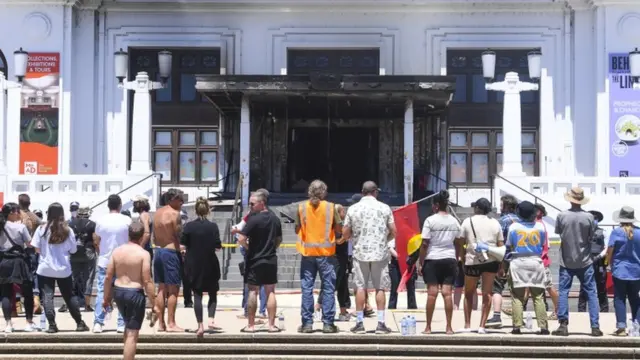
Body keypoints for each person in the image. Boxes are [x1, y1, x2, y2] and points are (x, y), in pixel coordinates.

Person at [343, 181, 396, 334]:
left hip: (360, 253)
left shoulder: (353, 209)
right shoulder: (384, 208)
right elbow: (394, 230)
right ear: (375, 192)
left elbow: (346, 232)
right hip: (379, 252)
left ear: (362, 192)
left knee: (360, 287)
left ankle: (359, 323)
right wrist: (384, 239)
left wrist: (354, 238)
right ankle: (380, 323)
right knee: (380, 288)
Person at [32, 202, 90, 333]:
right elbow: (74, 250)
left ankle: (52, 325)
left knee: (47, 296)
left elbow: (36, 248)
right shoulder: (68, 230)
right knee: (69, 296)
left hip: (45, 268)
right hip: (63, 269)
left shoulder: (41, 229)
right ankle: (79, 323)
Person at [552, 187, 603, 337]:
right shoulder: (589, 217)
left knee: (563, 292)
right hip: (585, 259)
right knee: (591, 293)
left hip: (566, 259)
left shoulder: (561, 216)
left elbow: (560, 233)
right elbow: (591, 237)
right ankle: (595, 326)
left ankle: (563, 324)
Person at [102, 222, 155, 360]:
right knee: (133, 334)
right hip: (134, 292)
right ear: (142, 236)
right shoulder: (143, 254)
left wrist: (106, 298)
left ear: (128, 234)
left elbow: (108, 277)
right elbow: (147, 280)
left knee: (128, 327)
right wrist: (153, 301)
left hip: (118, 291)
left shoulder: (117, 251)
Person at [295, 180, 341, 333]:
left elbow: (297, 228)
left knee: (307, 288)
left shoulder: (301, 207)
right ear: (324, 192)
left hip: (308, 254)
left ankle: (307, 323)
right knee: (328, 288)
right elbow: (339, 227)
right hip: (326, 255)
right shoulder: (330, 207)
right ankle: (328, 323)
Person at [417, 190, 463, 334]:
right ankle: (449, 327)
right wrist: (457, 256)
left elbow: (425, 243)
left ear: (436, 206)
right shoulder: (454, 221)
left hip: (432, 258)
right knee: (447, 293)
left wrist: (420, 261)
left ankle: (428, 327)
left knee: (432, 293)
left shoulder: (430, 221)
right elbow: (459, 241)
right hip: (449, 258)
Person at [237, 191, 282, 332]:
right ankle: (271, 325)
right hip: (270, 258)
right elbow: (279, 239)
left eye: (252, 203)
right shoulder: (275, 219)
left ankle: (251, 325)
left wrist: (249, 248)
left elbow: (241, 238)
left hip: (254, 259)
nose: (250, 206)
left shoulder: (253, 220)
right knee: (270, 291)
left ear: (261, 203)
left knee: (252, 291)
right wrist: (271, 248)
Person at [504, 201, 548, 335]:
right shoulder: (540, 227)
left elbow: (509, 245)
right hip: (535, 260)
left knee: (517, 296)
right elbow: (542, 244)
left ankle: (517, 326)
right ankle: (543, 326)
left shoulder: (514, 227)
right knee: (538, 296)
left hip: (518, 261)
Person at [459, 198, 503, 334]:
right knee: (487, 293)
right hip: (491, 261)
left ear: (477, 208)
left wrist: (461, 257)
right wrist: (501, 266)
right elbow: (500, 245)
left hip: (472, 260)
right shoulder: (495, 223)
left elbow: (461, 242)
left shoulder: (467, 221)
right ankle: (482, 326)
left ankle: (467, 324)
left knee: (468, 292)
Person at [181, 197, 222, 337]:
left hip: (194, 264)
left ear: (195, 210)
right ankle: (211, 319)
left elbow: (182, 245)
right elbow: (218, 246)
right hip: (210, 263)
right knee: (212, 293)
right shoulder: (213, 226)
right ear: (208, 210)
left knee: (197, 295)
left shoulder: (189, 226)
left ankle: (200, 325)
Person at [93, 195, 132, 333]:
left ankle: (98, 322)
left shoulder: (101, 220)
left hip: (105, 260)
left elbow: (96, 239)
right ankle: (121, 324)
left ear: (108, 205)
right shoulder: (127, 220)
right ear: (120, 205)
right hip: (123, 260)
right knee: (123, 292)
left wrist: (101, 250)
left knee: (102, 292)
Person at [0, 203, 37, 332]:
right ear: (10, 213)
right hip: (19, 261)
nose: (18, 213)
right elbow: (29, 244)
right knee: (27, 292)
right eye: (16, 211)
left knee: (5, 293)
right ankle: (28, 322)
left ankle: (8, 324)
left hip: (4, 260)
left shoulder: (1, 226)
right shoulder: (20, 227)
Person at [152, 188, 185, 332]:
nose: (182, 202)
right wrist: (183, 248)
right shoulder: (175, 214)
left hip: (159, 251)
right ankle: (171, 323)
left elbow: (154, 236)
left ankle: (161, 324)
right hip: (171, 252)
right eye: (180, 199)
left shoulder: (157, 213)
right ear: (172, 199)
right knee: (173, 289)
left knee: (161, 288)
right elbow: (179, 236)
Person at [606, 206, 640, 336]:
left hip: (620, 270)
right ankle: (637, 325)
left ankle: (621, 326)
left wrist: (608, 264)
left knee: (619, 298)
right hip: (636, 271)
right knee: (635, 299)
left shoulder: (617, 232)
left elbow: (610, 250)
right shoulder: (639, 232)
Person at [487, 195, 519, 328]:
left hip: (504, 258)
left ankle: (496, 316)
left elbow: (498, 241)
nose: (500, 207)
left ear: (505, 205)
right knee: (516, 289)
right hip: (519, 258)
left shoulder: (502, 221)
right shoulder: (522, 220)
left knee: (497, 288)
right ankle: (518, 318)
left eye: (501, 204)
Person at [315, 203, 351, 321]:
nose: (344, 213)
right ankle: (318, 308)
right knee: (331, 284)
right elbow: (338, 241)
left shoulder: (341, 225)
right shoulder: (334, 226)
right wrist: (345, 236)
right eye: (342, 211)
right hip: (335, 258)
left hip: (343, 258)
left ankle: (343, 311)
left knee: (342, 285)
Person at [59, 206, 97, 314]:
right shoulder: (92, 224)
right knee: (89, 277)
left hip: (74, 252)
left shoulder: (69, 224)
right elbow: (95, 240)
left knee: (71, 278)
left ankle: (67, 304)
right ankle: (87, 305)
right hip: (88, 251)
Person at [526, 203, 559, 320]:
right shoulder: (540, 225)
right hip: (539, 259)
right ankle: (519, 307)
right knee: (528, 285)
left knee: (549, 286)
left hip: (540, 260)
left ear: (539, 212)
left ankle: (558, 310)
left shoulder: (538, 225)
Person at [577, 210, 609, 313]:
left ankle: (604, 310)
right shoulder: (582, 233)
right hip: (586, 261)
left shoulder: (603, 232)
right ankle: (581, 311)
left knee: (601, 287)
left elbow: (607, 247)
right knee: (584, 287)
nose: (593, 221)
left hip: (599, 261)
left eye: (595, 219)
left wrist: (599, 256)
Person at [18, 194, 42, 315]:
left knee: (17, 276)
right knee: (33, 274)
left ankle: (17, 304)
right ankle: (36, 299)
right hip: (31, 249)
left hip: (18, 250)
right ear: (29, 203)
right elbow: (41, 226)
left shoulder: (16, 215)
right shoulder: (34, 217)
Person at [388, 236, 417, 310]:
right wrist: (399, 256)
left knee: (411, 286)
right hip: (396, 263)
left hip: (409, 262)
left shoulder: (412, 234)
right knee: (395, 286)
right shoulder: (396, 234)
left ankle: (412, 307)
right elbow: (390, 247)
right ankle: (392, 307)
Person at [132, 195, 153, 262]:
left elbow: (146, 233)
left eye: (135, 203)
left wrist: (141, 247)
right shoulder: (145, 214)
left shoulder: (143, 215)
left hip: (145, 249)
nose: (133, 205)